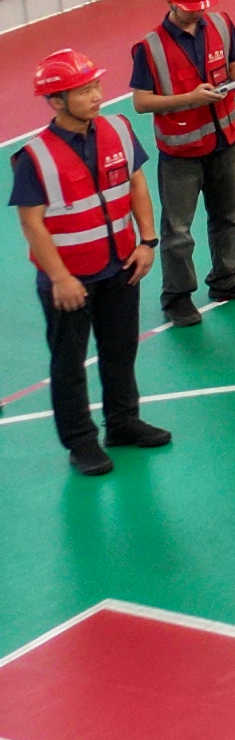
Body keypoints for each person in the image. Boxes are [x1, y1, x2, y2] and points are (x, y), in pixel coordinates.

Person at [15, 50, 166, 476]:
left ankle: (123, 422)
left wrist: (147, 241)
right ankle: (81, 441)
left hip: (121, 265)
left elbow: (136, 185)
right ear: (56, 101)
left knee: (121, 350)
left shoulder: (119, 129)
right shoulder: (34, 156)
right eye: (84, 91)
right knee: (68, 364)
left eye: (96, 86)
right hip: (69, 279)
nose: (97, 95)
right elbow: (32, 223)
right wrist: (60, 278)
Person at [131, 0, 235, 327]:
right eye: (191, 6)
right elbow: (141, 102)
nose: (199, 11)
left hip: (225, 140)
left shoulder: (221, 24)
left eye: (203, 3)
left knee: (228, 216)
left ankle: (226, 277)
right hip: (181, 155)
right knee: (178, 232)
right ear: (170, 1)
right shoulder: (150, 48)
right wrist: (190, 99)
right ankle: (177, 296)